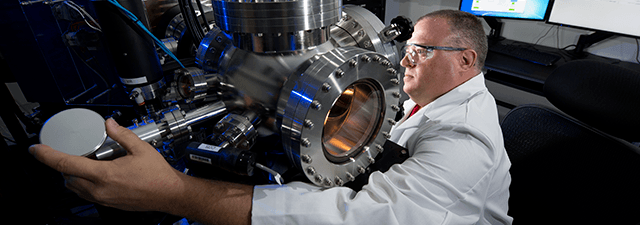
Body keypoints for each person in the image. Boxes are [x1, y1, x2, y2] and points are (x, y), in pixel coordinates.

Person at [29, 9, 512, 225]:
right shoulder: (413, 97)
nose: (405, 58)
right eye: (407, 48)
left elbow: (371, 219)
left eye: (423, 50)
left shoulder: (467, 136)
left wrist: (175, 193)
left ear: (466, 60)